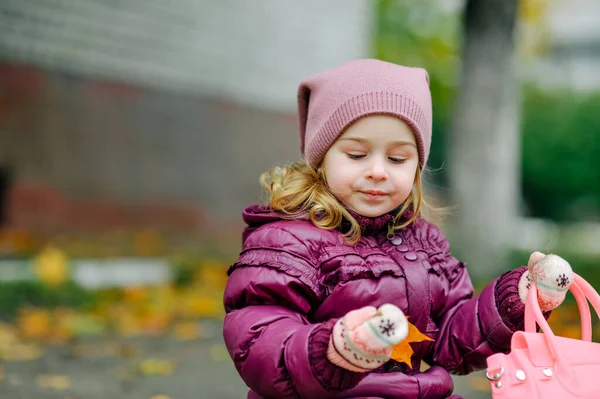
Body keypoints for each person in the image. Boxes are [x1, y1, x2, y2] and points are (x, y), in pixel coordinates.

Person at [222, 58, 573, 399]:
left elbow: (452, 336)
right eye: (357, 155)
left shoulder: (424, 242)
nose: (378, 171)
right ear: (321, 159)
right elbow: (259, 340)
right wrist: (333, 351)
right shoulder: (287, 241)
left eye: (397, 159)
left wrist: (519, 299)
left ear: (417, 166)